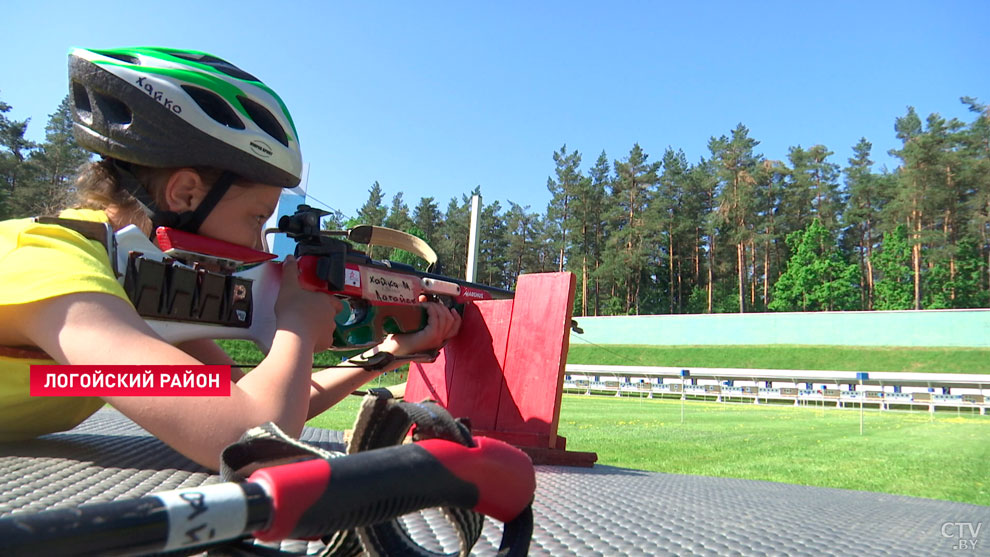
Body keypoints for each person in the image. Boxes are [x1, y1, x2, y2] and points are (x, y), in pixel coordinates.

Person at [0, 46, 461, 469]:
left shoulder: (135, 282)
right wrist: (296, 321)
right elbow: (249, 439)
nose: (260, 248)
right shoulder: (51, 266)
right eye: (256, 217)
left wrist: (386, 354)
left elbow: (251, 400)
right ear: (185, 193)